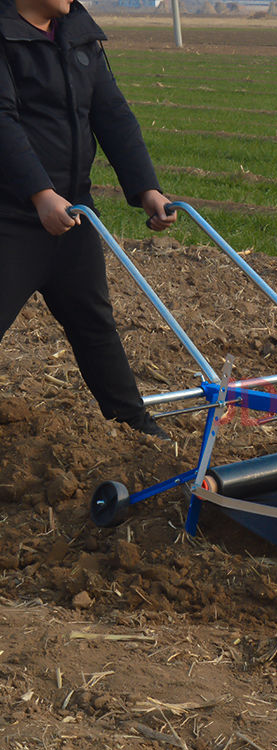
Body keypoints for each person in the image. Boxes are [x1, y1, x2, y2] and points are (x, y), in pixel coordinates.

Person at [0, 0, 176, 438]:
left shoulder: (78, 32)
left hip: (73, 213)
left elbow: (112, 113)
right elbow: (1, 123)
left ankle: (135, 426)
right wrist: (40, 194)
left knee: (94, 323)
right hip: (11, 216)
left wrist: (145, 189)